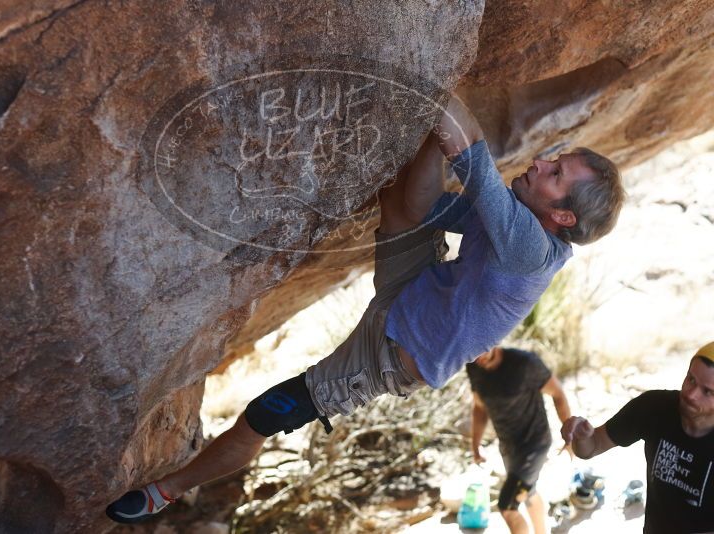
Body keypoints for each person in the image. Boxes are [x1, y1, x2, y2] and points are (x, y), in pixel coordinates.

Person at [106, 96, 625, 523]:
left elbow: (471, 153)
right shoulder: (517, 222)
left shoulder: (530, 249)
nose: (539, 163)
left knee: (263, 414)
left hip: (390, 356)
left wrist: (439, 83)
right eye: (550, 160)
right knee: (399, 204)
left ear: (561, 214)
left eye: (554, 172)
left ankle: (167, 490)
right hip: (415, 290)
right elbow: (424, 208)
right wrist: (434, 120)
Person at [561, 342, 714, 534]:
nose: (691, 394)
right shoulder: (654, 407)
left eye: (707, 391)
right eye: (691, 379)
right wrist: (582, 437)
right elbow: (592, 447)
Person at [467, 346, 571, 534]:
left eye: (479, 350)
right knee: (528, 493)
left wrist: (569, 438)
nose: (477, 357)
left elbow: (558, 393)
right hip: (509, 448)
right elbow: (480, 408)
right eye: (471, 354)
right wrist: (475, 446)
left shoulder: (525, 363)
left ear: (493, 340)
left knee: (508, 507)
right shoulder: (473, 366)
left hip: (534, 444)